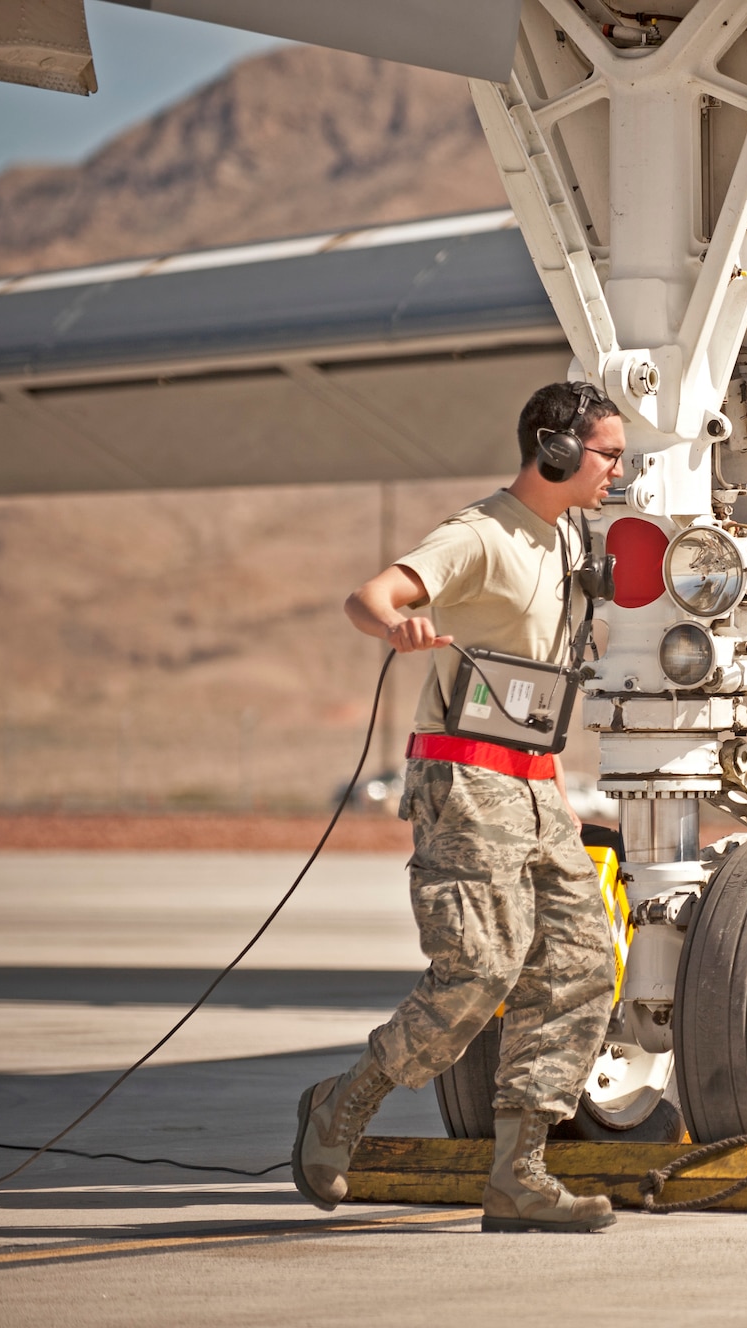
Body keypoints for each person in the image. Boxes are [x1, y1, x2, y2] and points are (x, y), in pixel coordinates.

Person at [291, 382, 630, 1234]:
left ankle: (518, 1174)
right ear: (554, 450)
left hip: (537, 780)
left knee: (584, 964)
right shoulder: (481, 534)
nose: (618, 470)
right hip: (466, 779)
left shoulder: (569, 539)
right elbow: (371, 596)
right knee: (479, 970)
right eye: (608, 455)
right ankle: (342, 1103)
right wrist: (396, 625)